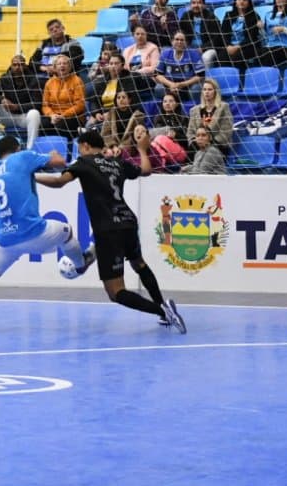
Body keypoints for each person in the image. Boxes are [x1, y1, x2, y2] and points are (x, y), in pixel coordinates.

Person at [35, 128, 186, 333]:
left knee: (115, 292)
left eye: (79, 148)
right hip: (128, 221)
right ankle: (162, 305)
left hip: (108, 229)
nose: (79, 152)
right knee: (139, 264)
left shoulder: (83, 163)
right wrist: (142, 149)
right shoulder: (118, 163)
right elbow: (147, 170)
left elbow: (59, 182)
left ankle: (162, 311)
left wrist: (32, 177)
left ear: (86, 146)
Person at [0, 135, 93, 332]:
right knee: (67, 231)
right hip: (32, 231)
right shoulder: (22, 157)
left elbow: (21, 178)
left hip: (5, 238)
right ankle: (80, 265)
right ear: (16, 148)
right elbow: (59, 162)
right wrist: (52, 154)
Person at [0, 53, 42, 149]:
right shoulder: (5, 78)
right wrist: (2, 99)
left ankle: (31, 148)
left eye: (20, 64)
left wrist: (17, 107)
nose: (17, 67)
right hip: (8, 115)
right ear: (11, 65)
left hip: (23, 117)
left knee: (34, 113)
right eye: (15, 65)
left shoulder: (33, 79)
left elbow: (37, 104)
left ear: (25, 66)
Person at [216, 0, 266, 71]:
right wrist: (228, 46)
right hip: (230, 46)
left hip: (247, 47)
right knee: (221, 56)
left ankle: (240, 79)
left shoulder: (254, 16)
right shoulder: (228, 15)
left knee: (237, 57)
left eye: (244, 0)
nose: (241, 2)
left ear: (249, 3)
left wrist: (237, 47)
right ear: (235, 2)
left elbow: (252, 37)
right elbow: (223, 33)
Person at [40, 53, 87, 139]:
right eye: (59, 64)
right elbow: (45, 105)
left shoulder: (77, 80)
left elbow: (80, 105)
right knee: (42, 125)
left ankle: (67, 149)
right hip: (54, 116)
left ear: (69, 67)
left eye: (65, 63)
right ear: (55, 67)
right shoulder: (49, 82)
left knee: (61, 125)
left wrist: (63, 115)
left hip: (73, 117)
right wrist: (51, 115)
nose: (62, 66)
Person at [153, 30, 205, 104]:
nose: (179, 42)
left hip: (188, 85)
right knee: (158, 88)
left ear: (186, 43)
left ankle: (193, 110)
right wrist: (170, 84)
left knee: (195, 89)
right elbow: (157, 74)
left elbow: (201, 75)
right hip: (169, 84)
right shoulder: (165, 53)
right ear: (172, 41)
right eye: (177, 39)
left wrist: (182, 84)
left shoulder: (194, 53)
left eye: (182, 40)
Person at [186, 77, 233, 154]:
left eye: (209, 89)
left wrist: (209, 142)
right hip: (197, 147)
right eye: (204, 89)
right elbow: (190, 133)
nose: (206, 92)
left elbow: (226, 132)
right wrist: (197, 142)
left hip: (218, 146)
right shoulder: (194, 110)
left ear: (215, 92)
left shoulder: (224, 107)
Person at [178, 0, 224, 67]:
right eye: (193, 3)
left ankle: (205, 78)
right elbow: (180, 33)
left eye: (199, 3)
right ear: (190, 5)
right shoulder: (186, 16)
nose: (196, 5)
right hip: (190, 47)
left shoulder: (211, 17)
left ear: (204, 5)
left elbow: (216, 39)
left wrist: (202, 48)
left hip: (208, 49)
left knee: (206, 58)